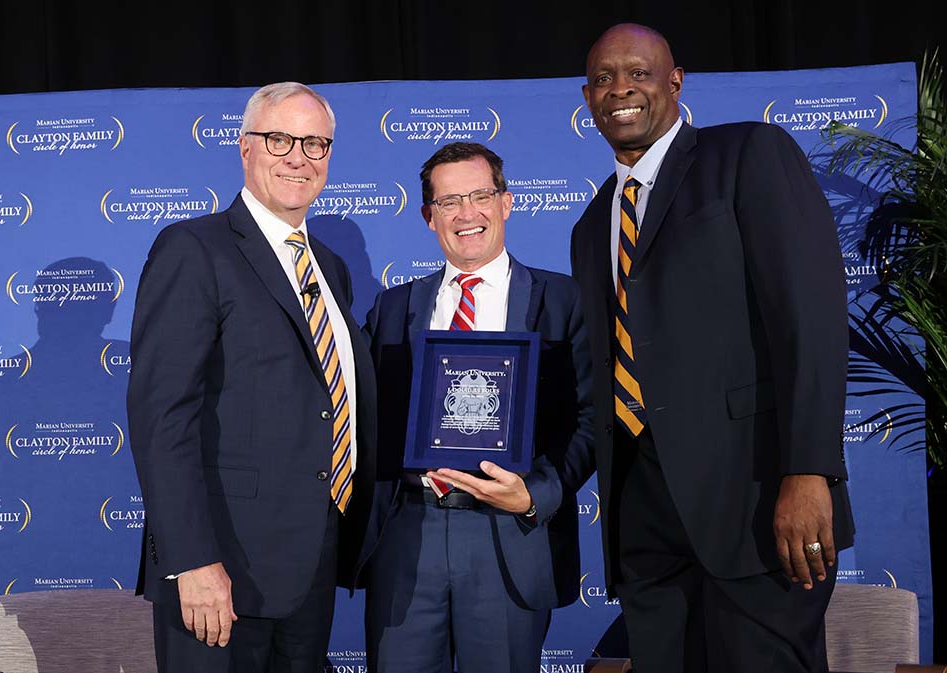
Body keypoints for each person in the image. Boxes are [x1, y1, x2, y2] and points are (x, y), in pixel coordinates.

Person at [569, 23, 855, 673]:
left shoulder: (748, 154)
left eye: (639, 74)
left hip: (756, 505)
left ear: (675, 83)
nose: (622, 89)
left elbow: (809, 315)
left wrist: (809, 469)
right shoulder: (592, 225)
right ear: (587, 97)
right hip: (644, 521)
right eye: (605, 78)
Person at [127, 81, 377, 673]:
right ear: (246, 149)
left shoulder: (330, 268)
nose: (299, 156)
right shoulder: (194, 248)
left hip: (311, 562)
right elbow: (163, 416)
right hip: (221, 575)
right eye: (280, 139)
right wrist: (191, 561)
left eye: (316, 144)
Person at [362, 142, 595, 673]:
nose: (467, 214)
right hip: (408, 539)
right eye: (448, 202)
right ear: (428, 217)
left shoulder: (563, 301)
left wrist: (534, 494)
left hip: (510, 537)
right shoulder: (393, 307)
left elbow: (592, 421)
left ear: (506, 203)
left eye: (480, 195)